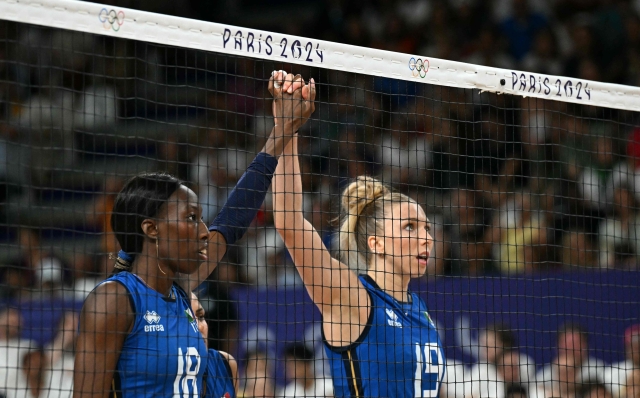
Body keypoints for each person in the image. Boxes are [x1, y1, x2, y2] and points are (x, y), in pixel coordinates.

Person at [73, 71, 315, 398]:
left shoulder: (181, 291)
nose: (203, 233)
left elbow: (230, 222)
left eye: (200, 219)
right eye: (190, 218)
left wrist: (282, 129)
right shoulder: (115, 300)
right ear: (151, 229)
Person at [272, 130, 445, 395]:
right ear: (377, 243)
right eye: (410, 227)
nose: (426, 238)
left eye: (427, 228)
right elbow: (289, 223)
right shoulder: (353, 296)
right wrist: (287, 128)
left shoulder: (419, 309)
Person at [190, 292, 238, 398]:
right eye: (189, 320)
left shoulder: (225, 363)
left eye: (201, 317)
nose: (199, 327)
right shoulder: (162, 373)